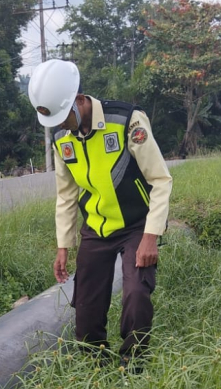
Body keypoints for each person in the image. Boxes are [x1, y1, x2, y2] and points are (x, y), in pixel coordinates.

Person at [27, 59, 173, 371]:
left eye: (63, 116)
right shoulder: (62, 140)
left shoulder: (127, 121)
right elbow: (66, 195)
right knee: (87, 306)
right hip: (96, 227)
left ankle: (132, 367)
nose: (60, 125)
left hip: (137, 224)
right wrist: (63, 246)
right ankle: (96, 368)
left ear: (79, 101)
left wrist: (151, 238)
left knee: (135, 293)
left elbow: (161, 180)